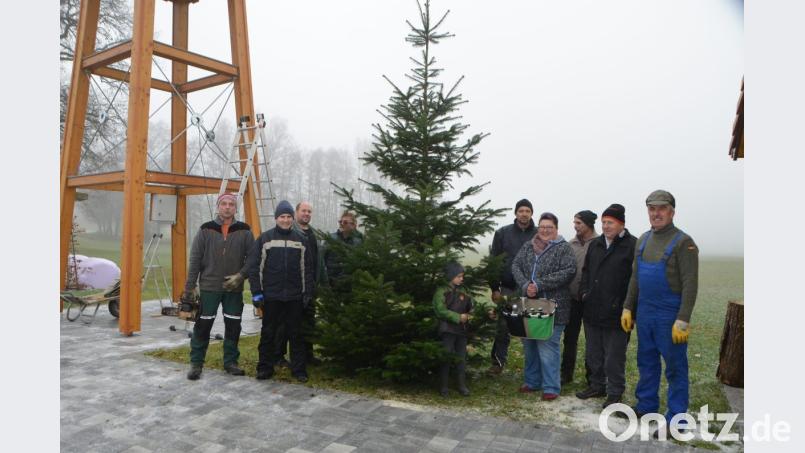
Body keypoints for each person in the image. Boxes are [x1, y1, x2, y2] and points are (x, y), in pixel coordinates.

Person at [622, 190, 698, 428]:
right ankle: (646, 405)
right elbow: (635, 277)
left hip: (669, 315)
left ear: (672, 212)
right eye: (652, 209)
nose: (656, 213)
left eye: (662, 208)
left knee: (675, 368)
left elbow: (690, 284)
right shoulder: (643, 239)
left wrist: (683, 318)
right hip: (645, 312)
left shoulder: (684, 243)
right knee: (646, 362)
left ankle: (677, 419)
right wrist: (628, 307)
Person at [182, 193, 254, 380]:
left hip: (233, 289)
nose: (227, 207)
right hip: (209, 287)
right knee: (203, 326)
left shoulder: (245, 230)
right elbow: (195, 259)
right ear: (218, 206)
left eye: (231, 204)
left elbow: (253, 258)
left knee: (233, 326)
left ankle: (230, 362)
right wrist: (190, 287)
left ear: (235, 208)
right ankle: (196, 364)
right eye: (224, 204)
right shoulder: (206, 229)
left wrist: (241, 276)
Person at [246, 200, 316, 383]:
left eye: (288, 217)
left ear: (292, 218)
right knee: (268, 333)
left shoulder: (301, 240)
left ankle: (299, 369)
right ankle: (264, 367)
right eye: (282, 216)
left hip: (294, 296)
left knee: (296, 334)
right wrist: (257, 292)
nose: (285, 220)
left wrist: (307, 293)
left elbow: (307, 269)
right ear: (276, 218)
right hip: (271, 296)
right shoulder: (265, 239)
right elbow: (255, 268)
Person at [511, 212, 576, 400]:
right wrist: (526, 285)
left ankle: (551, 387)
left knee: (548, 347)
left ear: (556, 229)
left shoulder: (564, 248)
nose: (545, 230)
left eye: (549, 227)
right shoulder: (528, 246)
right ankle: (532, 381)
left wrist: (539, 285)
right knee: (530, 344)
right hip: (529, 304)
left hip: (554, 306)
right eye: (542, 227)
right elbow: (516, 265)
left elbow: (568, 271)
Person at [576, 204, 636, 408]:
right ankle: (597, 385)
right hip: (592, 308)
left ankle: (615, 391)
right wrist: (584, 293)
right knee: (594, 353)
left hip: (618, 312)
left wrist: (629, 307)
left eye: (610, 222)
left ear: (621, 224)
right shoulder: (596, 244)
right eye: (603, 222)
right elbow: (586, 272)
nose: (606, 226)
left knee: (614, 356)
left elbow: (636, 280)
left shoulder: (632, 245)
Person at [487, 199, 537, 375]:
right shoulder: (502, 233)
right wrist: (495, 288)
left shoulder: (538, 234)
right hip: (508, 287)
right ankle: (498, 362)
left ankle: (532, 368)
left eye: (527, 211)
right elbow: (494, 261)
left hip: (530, 289)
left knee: (529, 328)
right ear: (516, 213)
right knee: (503, 327)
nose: (524, 214)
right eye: (521, 210)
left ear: (531, 213)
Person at [274, 201, 325, 367]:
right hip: (292, 288)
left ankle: (308, 355)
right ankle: (278, 356)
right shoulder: (289, 231)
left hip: (310, 286)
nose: (306, 214)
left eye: (309, 211)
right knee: (284, 324)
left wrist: (322, 284)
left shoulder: (314, 235)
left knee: (308, 321)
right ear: (296, 213)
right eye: (303, 211)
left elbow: (319, 262)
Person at [562, 209, 598, 385]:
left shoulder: (599, 244)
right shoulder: (571, 245)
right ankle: (566, 374)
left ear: (589, 224)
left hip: (591, 300)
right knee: (570, 338)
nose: (575, 226)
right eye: (574, 223)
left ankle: (592, 376)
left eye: (579, 223)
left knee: (592, 340)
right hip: (572, 299)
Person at [432, 262, 474, 397]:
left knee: (461, 358)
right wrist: (458, 317)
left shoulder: (464, 291)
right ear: (451, 276)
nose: (462, 279)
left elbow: (472, 306)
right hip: (447, 330)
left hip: (462, 331)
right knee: (446, 357)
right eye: (459, 276)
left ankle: (461, 385)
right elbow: (440, 310)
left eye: (462, 276)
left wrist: (471, 314)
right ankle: (443, 386)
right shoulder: (441, 291)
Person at [323, 210, 363, 287]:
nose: (341, 224)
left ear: (353, 225)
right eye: (340, 221)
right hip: (332, 283)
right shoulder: (331, 239)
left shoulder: (358, 243)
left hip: (351, 285)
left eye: (345, 222)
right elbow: (322, 261)